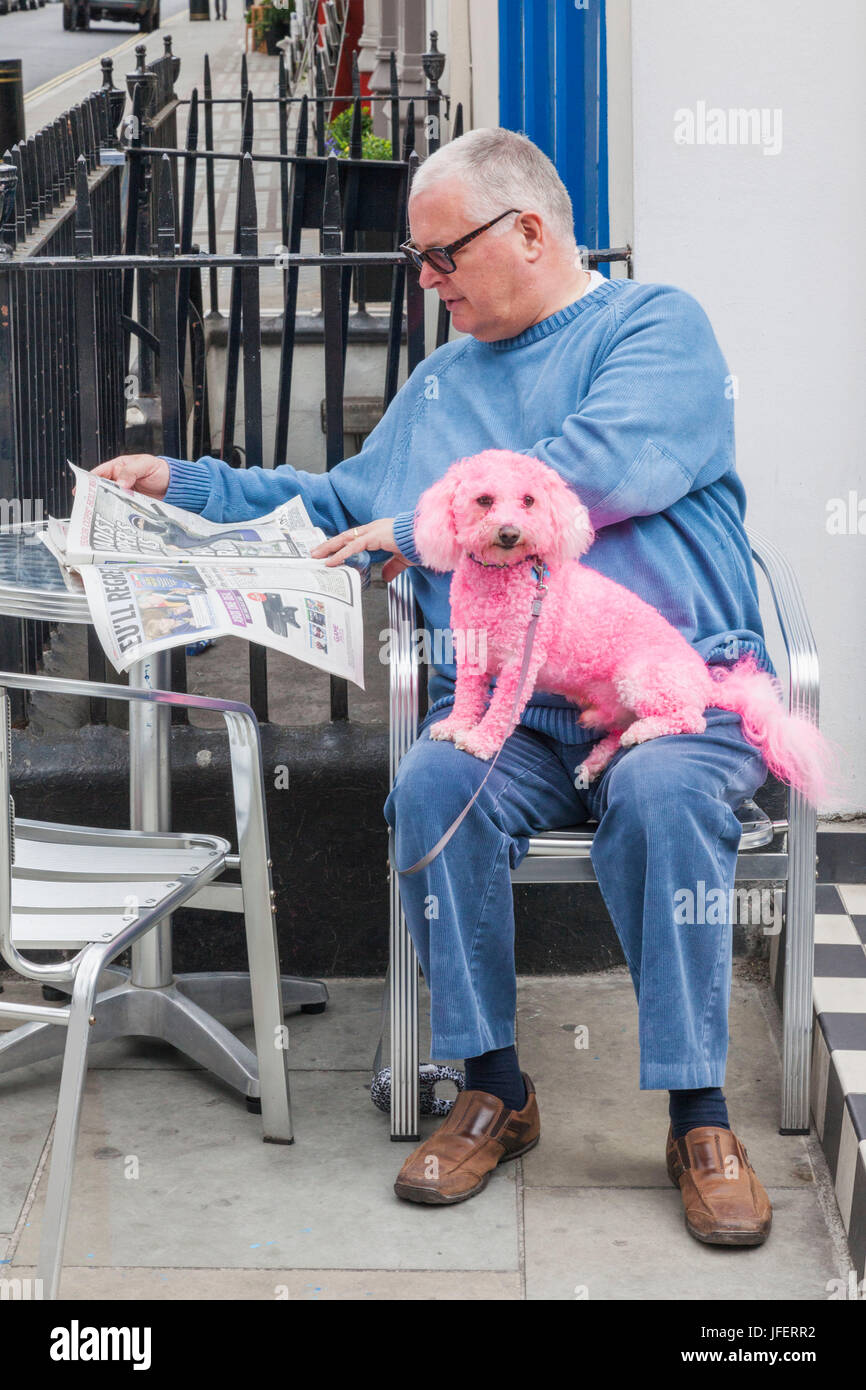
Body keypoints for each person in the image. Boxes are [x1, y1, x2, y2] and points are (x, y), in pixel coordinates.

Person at [91, 127, 774, 1245]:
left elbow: (590, 471)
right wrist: (189, 481)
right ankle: (495, 1085)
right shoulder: (443, 382)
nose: (425, 280)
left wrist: (422, 527)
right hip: (511, 707)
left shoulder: (655, 328)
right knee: (427, 787)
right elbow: (331, 502)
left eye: (441, 255)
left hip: (673, 697)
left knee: (659, 798)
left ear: (529, 233)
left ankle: (697, 1113)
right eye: (421, 259)